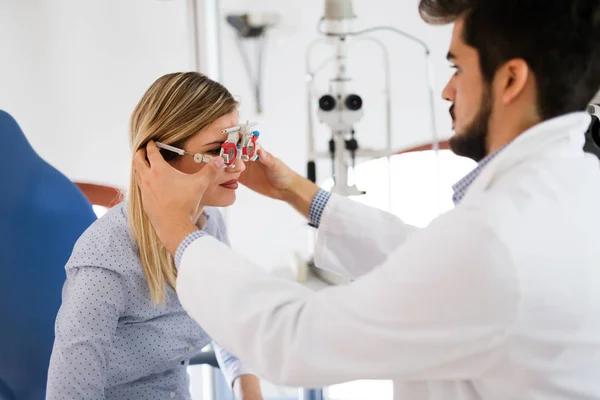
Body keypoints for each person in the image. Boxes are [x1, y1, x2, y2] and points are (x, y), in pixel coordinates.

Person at [133, 0, 600, 399]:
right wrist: (296, 191)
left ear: (511, 80)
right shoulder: (573, 189)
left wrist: (179, 232)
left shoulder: (498, 236)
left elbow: (294, 339)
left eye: (457, 67)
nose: (446, 90)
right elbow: (427, 263)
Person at [47, 72, 264, 400]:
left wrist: (251, 393)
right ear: (158, 158)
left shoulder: (211, 224)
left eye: (241, 146)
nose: (238, 167)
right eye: (219, 150)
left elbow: (227, 320)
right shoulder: (106, 261)